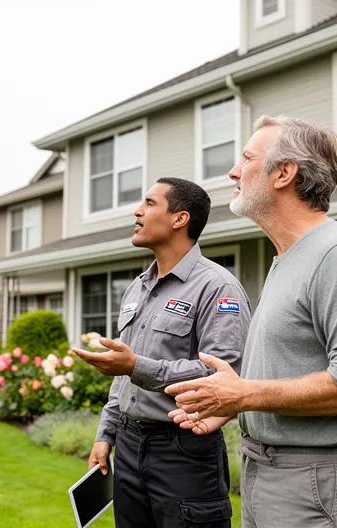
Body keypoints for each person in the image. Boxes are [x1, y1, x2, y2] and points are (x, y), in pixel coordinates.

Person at [164, 116, 337, 528]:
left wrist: (245, 395)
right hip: (270, 471)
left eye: (248, 158)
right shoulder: (289, 259)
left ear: (284, 173)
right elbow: (294, 366)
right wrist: (236, 406)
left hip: (317, 481)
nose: (233, 171)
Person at [72, 177, 252, 528]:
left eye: (150, 203)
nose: (137, 211)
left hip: (184, 449)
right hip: (127, 444)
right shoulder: (137, 289)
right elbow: (124, 377)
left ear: (179, 219)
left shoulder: (218, 287)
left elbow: (222, 375)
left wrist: (137, 366)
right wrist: (105, 434)